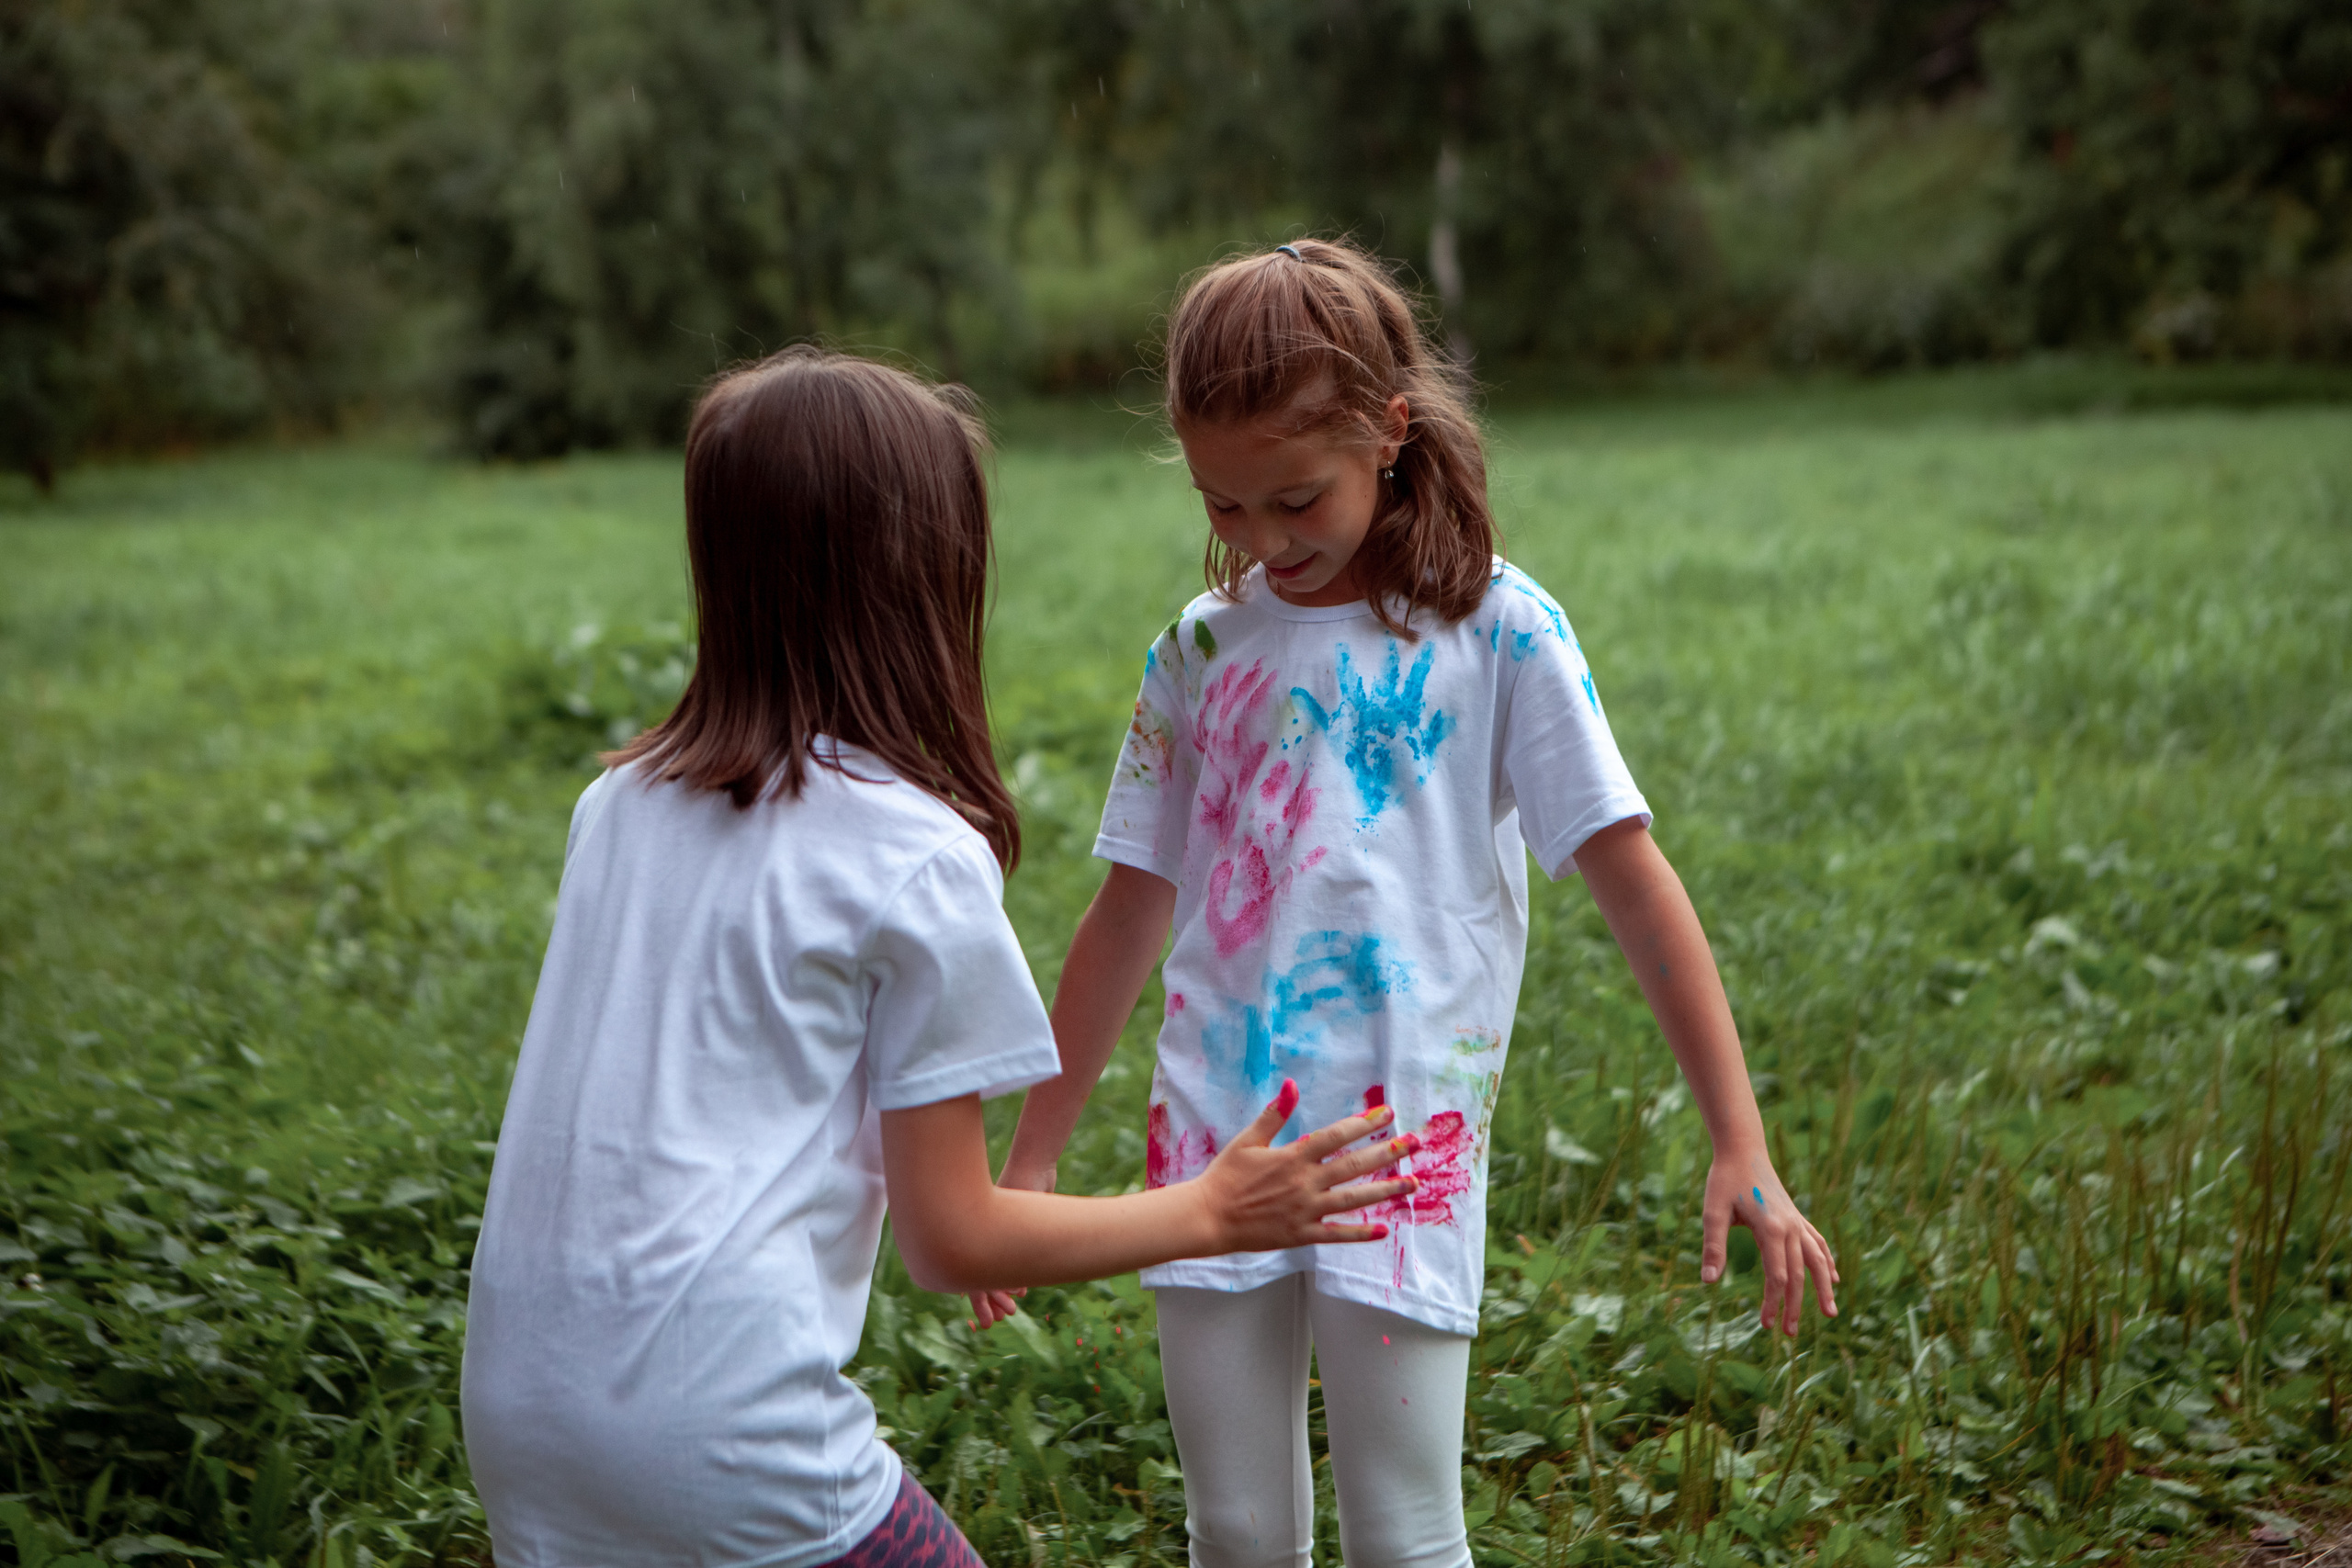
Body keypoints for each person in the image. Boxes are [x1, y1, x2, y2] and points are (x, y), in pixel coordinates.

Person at [458, 346, 1422, 1568]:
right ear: (925, 575)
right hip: (727, 1441)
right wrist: (1213, 1212)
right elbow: (953, 1239)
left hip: (515, 1426)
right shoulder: (910, 855)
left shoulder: (617, 809)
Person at [969, 240, 1842, 1568]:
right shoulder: (1199, 654)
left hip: (1401, 1146)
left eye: (1294, 499)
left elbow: (1635, 887)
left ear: (1390, 433)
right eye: (1225, 506)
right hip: (1216, 1134)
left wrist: (1741, 1139)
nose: (1262, 544)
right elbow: (1127, 916)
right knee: (1236, 1532)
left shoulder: (1503, 634)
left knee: (1406, 1528)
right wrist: (1031, 1161)